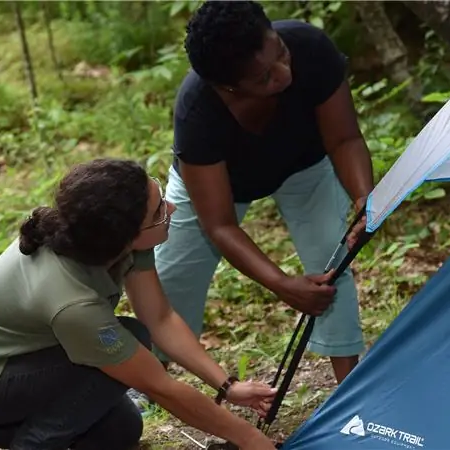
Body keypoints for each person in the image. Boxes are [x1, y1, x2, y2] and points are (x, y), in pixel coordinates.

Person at [0, 158, 279, 450]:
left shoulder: (111, 242)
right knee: (132, 338)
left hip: (37, 356)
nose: (170, 206)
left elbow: (161, 317)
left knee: (119, 430)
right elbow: (159, 385)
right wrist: (249, 439)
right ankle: (24, 440)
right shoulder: (72, 302)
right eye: (158, 210)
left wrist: (227, 386)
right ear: (124, 235)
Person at [137, 0, 374, 409]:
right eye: (264, 77)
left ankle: (350, 389)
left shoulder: (311, 49)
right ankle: (148, 381)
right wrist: (282, 285)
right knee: (173, 277)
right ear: (228, 86)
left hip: (306, 164)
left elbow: (345, 139)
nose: (284, 73)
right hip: (219, 185)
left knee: (330, 259)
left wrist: (365, 197)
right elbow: (221, 226)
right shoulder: (199, 113)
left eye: (280, 53)